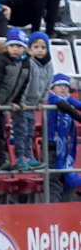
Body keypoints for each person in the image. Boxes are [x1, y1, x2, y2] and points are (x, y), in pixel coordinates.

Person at [0, 28, 32, 171]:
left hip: (4, 103)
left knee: (1, 132)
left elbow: (23, 83)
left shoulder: (25, 62)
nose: (15, 50)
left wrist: (17, 101)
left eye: (19, 46)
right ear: (7, 46)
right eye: (12, 46)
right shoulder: (1, 59)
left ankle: (2, 160)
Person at [10, 32, 53, 171]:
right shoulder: (28, 62)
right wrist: (21, 101)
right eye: (36, 47)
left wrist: (41, 101)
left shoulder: (48, 65)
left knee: (29, 132)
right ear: (30, 48)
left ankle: (28, 157)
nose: (40, 50)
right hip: (22, 105)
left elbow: (48, 84)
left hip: (32, 106)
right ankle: (20, 157)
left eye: (43, 47)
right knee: (20, 132)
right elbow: (24, 84)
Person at [46, 74, 81, 202]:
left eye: (66, 86)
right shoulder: (53, 98)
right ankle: (54, 210)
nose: (63, 89)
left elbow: (78, 104)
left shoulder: (68, 98)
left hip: (63, 147)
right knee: (54, 181)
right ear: (53, 88)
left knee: (71, 180)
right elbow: (66, 108)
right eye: (59, 86)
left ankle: (65, 206)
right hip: (51, 147)